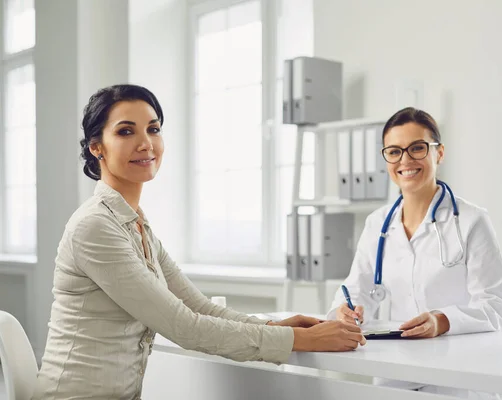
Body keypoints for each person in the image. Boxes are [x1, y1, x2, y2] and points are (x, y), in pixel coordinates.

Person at [33, 84, 365, 400]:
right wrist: (300, 339)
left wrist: (276, 325)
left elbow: (198, 306)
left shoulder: (136, 225)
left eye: (154, 129)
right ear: (96, 147)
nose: (145, 142)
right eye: (125, 131)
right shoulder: (95, 227)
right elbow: (184, 326)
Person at [328, 107, 502, 398]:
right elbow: (354, 292)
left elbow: (496, 307)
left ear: (439, 153)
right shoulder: (377, 224)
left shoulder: (472, 220)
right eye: (394, 151)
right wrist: (347, 312)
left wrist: (443, 320)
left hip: (461, 379)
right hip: (396, 375)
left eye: (417, 148)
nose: (406, 160)